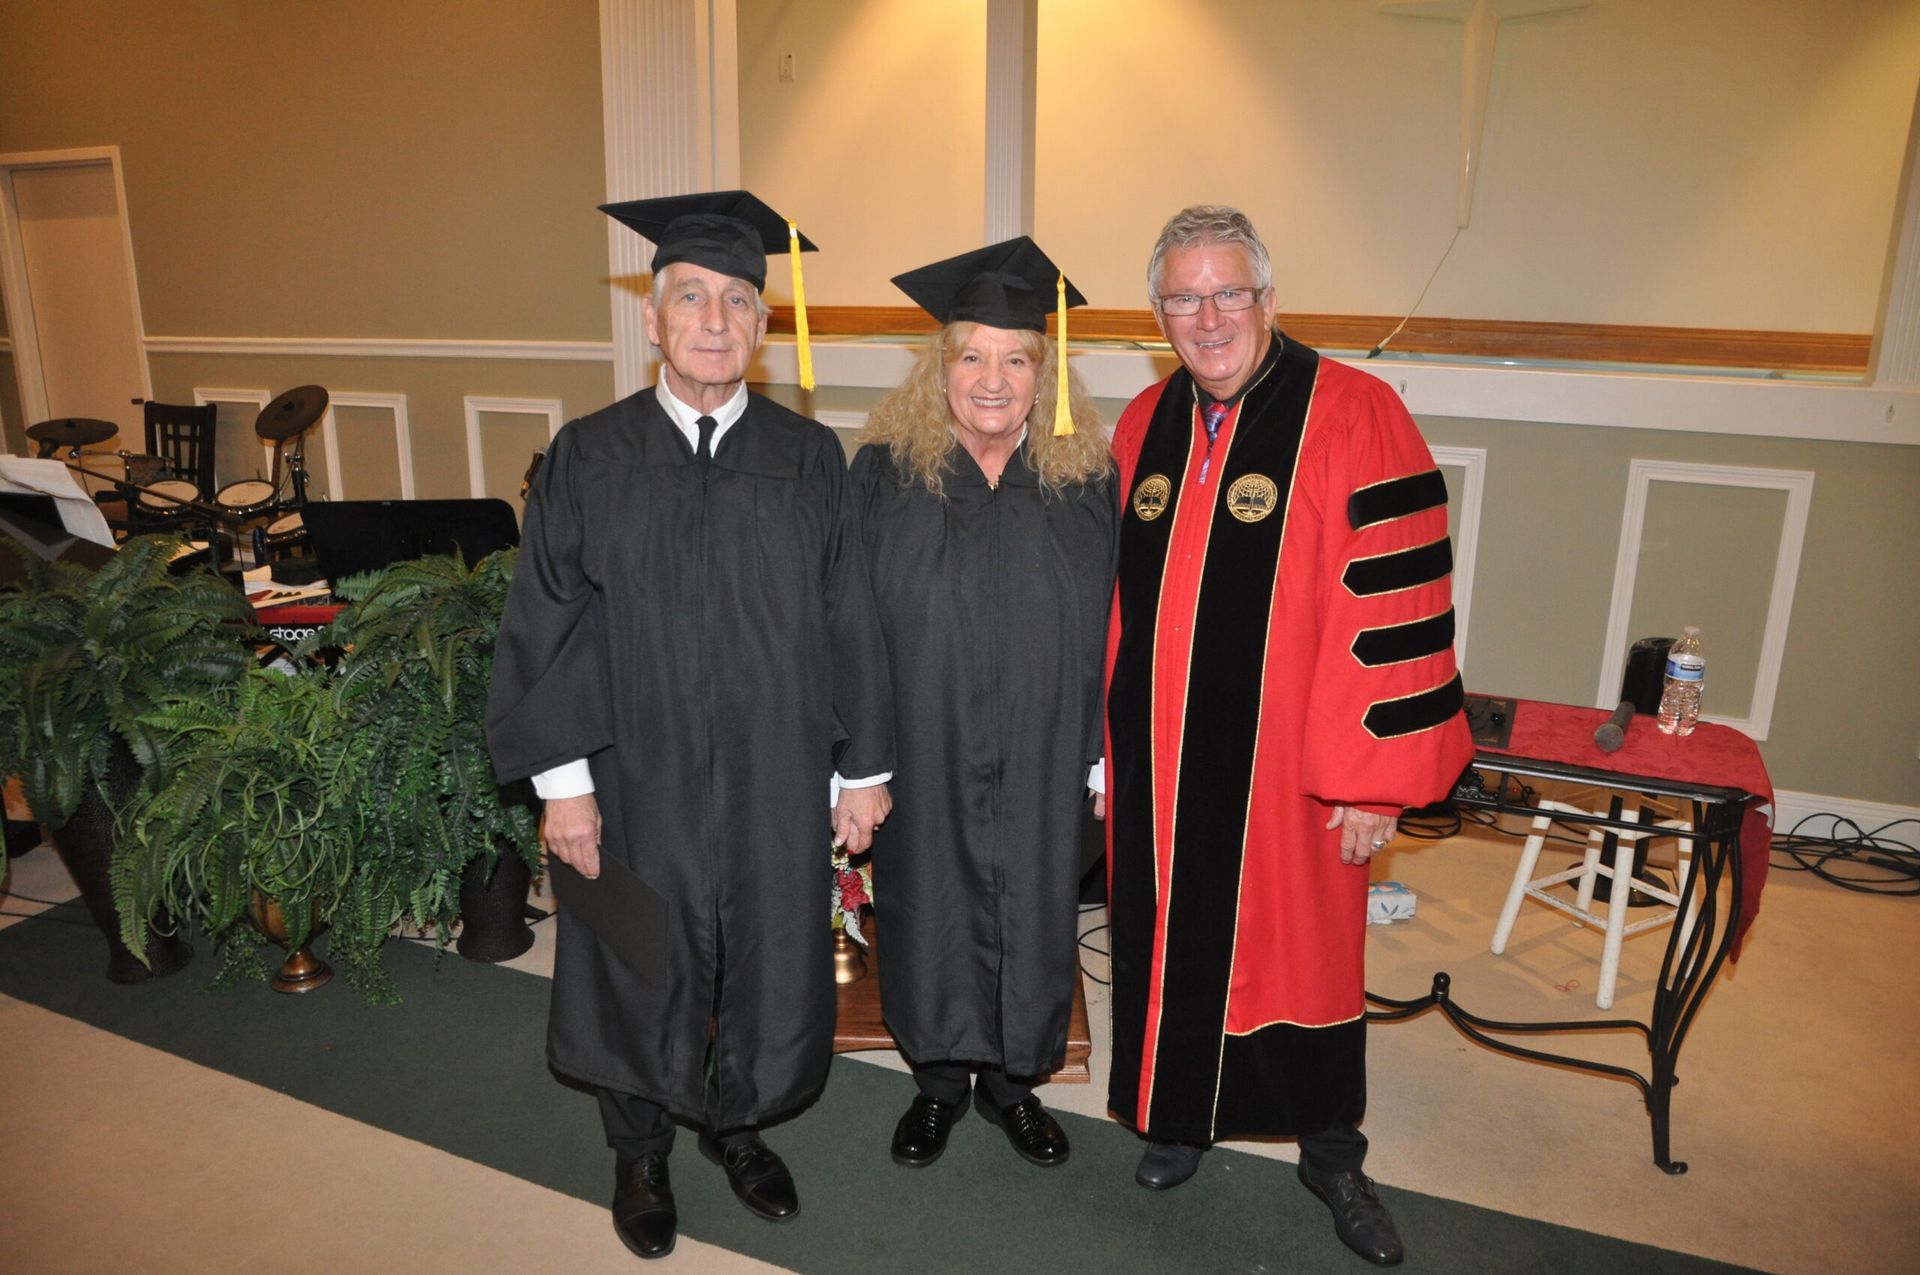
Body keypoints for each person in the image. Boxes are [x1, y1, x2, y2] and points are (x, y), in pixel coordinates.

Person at [486, 190, 894, 1262]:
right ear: (654, 320)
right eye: (691, 298)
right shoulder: (589, 455)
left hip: (773, 771)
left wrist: (863, 769)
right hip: (634, 774)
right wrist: (562, 787)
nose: (716, 320)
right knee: (636, 954)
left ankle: (738, 1126)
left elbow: (849, 619)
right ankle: (640, 1151)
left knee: (763, 956)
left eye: (739, 302)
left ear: (762, 328)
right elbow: (549, 622)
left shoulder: (810, 461)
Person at [1103, 206, 1471, 1267]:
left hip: (1299, 775)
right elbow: (1119, 607)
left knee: (1302, 953)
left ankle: (1331, 1149)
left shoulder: (1356, 413)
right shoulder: (1144, 423)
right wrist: (1108, 750)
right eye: (1184, 296)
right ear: (1159, 311)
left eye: (1229, 292)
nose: (1207, 316)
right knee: (1169, 941)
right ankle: (1177, 1116)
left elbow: (1396, 608)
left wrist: (1376, 783)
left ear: (1268, 299)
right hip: (1165, 764)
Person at [851, 237, 1115, 1172]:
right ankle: (937, 1085)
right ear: (940, 370)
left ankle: (1013, 1087)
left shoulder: (1087, 483)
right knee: (927, 908)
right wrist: (862, 763)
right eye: (971, 355)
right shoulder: (885, 476)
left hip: (1048, 750)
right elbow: (849, 622)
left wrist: (1105, 750)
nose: (993, 378)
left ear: (1045, 376)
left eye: (1016, 359)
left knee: (1039, 907)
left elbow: (1124, 625)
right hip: (924, 746)